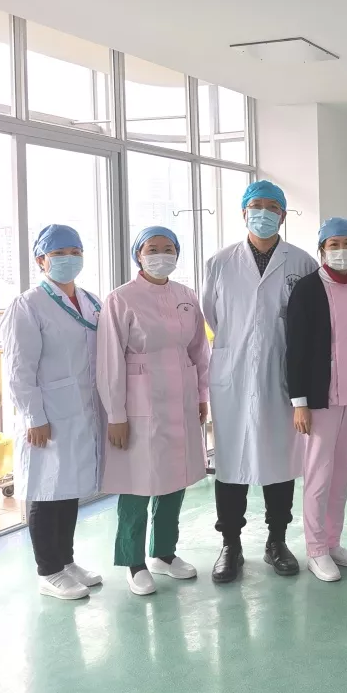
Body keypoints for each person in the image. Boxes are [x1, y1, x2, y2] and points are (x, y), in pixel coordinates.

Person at [202, 180, 318, 583]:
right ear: (244, 213)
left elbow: (307, 324)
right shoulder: (219, 263)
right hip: (232, 373)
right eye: (257, 206)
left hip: (281, 375)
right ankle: (230, 544)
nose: (264, 213)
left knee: (279, 458)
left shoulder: (302, 262)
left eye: (272, 207)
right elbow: (212, 315)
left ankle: (277, 541)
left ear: (283, 215)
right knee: (230, 461)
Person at [96, 226, 210, 596]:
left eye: (168, 249)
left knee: (175, 479)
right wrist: (116, 414)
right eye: (152, 249)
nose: (161, 255)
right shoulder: (121, 299)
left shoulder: (186, 296)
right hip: (139, 403)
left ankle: (163, 552)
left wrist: (202, 395)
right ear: (138, 255)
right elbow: (110, 361)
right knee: (138, 483)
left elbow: (199, 350)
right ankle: (133, 561)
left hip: (181, 398)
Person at [1, 225, 105, 600]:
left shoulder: (91, 301)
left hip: (81, 409)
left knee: (68, 488)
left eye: (74, 252)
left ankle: (66, 561)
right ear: (41, 261)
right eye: (58, 253)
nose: (68, 259)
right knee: (45, 490)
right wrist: (34, 417)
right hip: (47, 413)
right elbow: (19, 369)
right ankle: (48, 571)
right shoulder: (28, 305)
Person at [286, 217, 347, 583]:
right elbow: (295, 347)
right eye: (333, 244)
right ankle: (316, 549)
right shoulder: (308, 288)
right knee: (319, 476)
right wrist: (300, 401)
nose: (341, 250)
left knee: (341, 475)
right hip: (319, 398)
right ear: (322, 249)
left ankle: (333, 542)